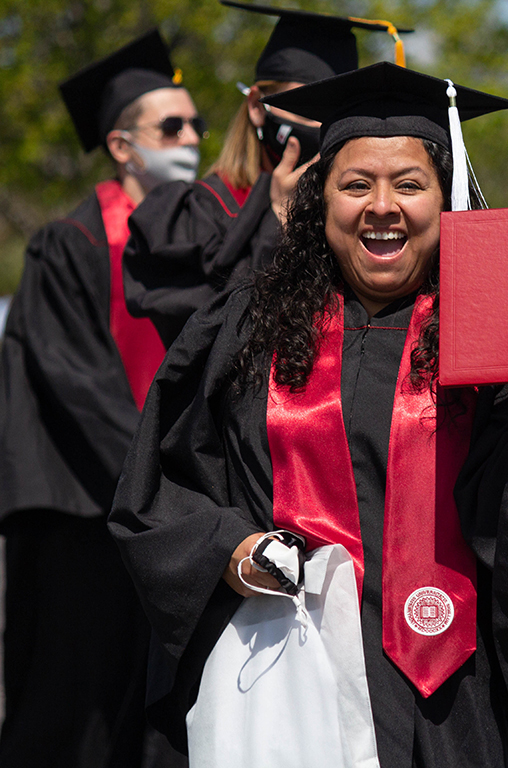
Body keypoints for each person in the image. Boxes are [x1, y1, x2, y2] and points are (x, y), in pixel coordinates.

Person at [108, 62, 508, 767]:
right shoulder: (247, 329)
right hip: (286, 684)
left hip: (454, 698)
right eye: (355, 185)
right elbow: (161, 490)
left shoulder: (507, 338)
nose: (381, 206)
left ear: (447, 202)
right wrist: (230, 551)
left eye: (409, 185)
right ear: (320, 204)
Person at [0, 29, 204, 768]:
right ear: (122, 146)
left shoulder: (199, 243)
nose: (192, 139)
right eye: (172, 127)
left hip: (168, 517)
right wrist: (164, 481)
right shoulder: (70, 245)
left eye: (197, 126)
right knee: (75, 717)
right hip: (86, 522)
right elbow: (76, 384)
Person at [123, 2, 410, 347]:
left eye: (334, 112)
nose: (320, 126)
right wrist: (276, 221)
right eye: (305, 106)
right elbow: (198, 340)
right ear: (258, 107)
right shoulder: (198, 211)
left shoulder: (355, 211)